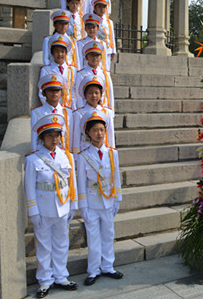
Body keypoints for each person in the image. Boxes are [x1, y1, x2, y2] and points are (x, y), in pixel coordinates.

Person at [25, 113, 78, 298]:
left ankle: (61, 276)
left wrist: (73, 204)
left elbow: (72, 182)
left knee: (62, 243)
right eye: (50, 135)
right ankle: (45, 280)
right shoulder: (33, 159)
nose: (54, 139)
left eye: (57, 135)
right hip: (44, 208)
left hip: (63, 207)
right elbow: (29, 187)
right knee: (44, 246)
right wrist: (33, 211)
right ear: (42, 138)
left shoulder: (67, 156)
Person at [76, 109, 123, 286]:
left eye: (102, 130)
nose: (99, 133)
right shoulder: (83, 156)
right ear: (88, 133)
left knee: (108, 235)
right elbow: (81, 182)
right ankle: (94, 270)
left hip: (108, 201)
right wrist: (83, 207)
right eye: (95, 130)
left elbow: (116, 178)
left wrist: (117, 199)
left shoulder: (112, 153)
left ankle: (108, 266)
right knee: (93, 237)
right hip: (92, 202)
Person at [72, 75, 115, 154]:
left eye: (96, 93)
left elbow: (110, 133)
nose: (94, 96)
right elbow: (76, 137)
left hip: (103, 151)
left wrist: (111, 151)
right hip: (85, 152)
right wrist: (77, 155)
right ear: (85, 95)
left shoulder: (107, 112)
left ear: (101, 95)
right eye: (90, 93)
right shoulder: (79, 113)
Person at [31, 74, 74, 153]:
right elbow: (34, 137)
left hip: (62, 152)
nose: (54, 93)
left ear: (61, 93)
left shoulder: (67, 112)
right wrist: (35, 153)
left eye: (57, 90)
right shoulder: (36, 112)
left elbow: (70, 135)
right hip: (44, 152)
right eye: (50, 90)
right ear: (44, 93)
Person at [39, 34, 77, 109]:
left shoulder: (72, 70)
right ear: (52, 53)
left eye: (62, 51)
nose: (60, 54)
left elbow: (74, 91)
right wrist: (50, 107)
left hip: (68, 108)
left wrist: (74, 108)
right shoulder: (46, 70)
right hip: (52, 108)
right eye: (56, 51)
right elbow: (41, 91)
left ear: (66, 53)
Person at [75, 40, 114, 110]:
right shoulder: (81, 74)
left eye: (97, 55)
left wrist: (110, 110)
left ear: (101, 57)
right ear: (86, 57)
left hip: (102, 109)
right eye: (92, 55)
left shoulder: (105, 74)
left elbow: (110, 94)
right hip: (86, 109)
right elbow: (79, 96)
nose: (95, 58)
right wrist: (81, 110)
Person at [91, 0, 116, 71]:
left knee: (106, 69)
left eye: (104, 7)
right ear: (95, 8)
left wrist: (113, 51)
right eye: (99, 7)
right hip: (96, 48)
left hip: (107, 49)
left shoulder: (109, 22)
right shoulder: (92, 21)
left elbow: (112, 36)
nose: (102, 9)